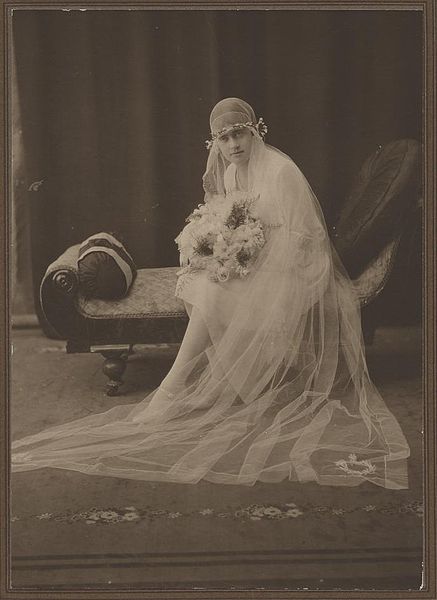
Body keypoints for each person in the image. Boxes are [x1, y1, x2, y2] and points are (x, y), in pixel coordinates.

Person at [12, 98, 410, 488]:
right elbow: (230, 220)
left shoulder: (281, 171)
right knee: (201, 283)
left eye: (240, 134)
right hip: (257, 260)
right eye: (224, 138)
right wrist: (222, 250)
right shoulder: (233, 174)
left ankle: (171, 389)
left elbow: (304, 239)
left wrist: (246, 255)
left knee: (213, 293)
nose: (233, 145)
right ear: (214, 144)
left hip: (298, 268)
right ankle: (185, 383)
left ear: (255, 132)